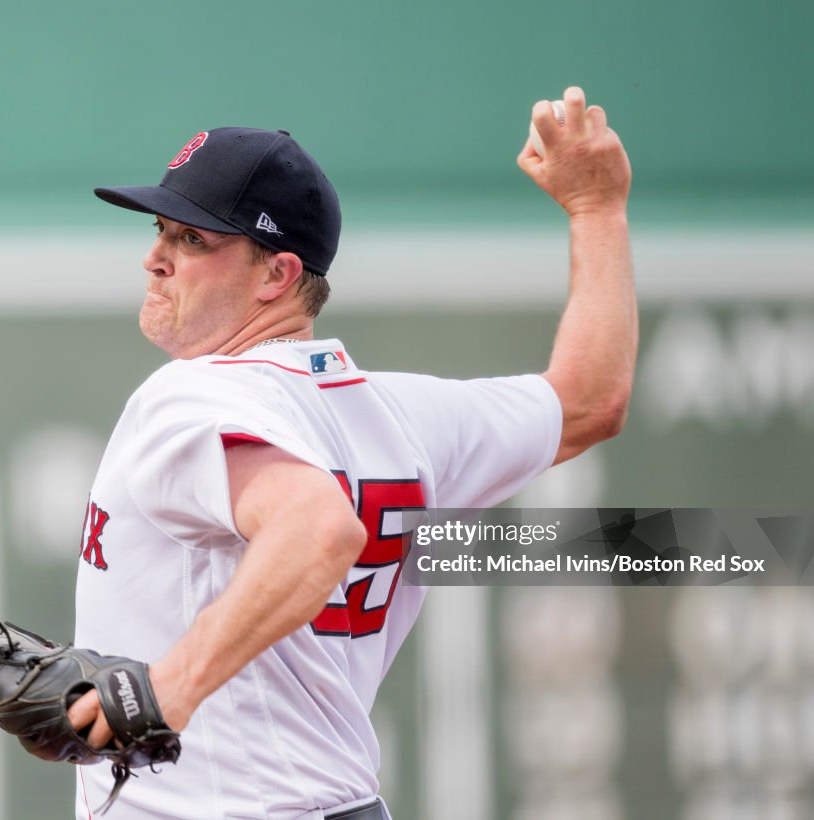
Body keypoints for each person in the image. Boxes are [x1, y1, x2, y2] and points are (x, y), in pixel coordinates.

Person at [66, 86, 636, 819]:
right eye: (161, 229)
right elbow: (590, 399)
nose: (155, 259)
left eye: (193, 240)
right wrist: (598, 213)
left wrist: (169, 687)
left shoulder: (189, 398)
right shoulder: (402, 415)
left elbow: (319, 529)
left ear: (278, 275)